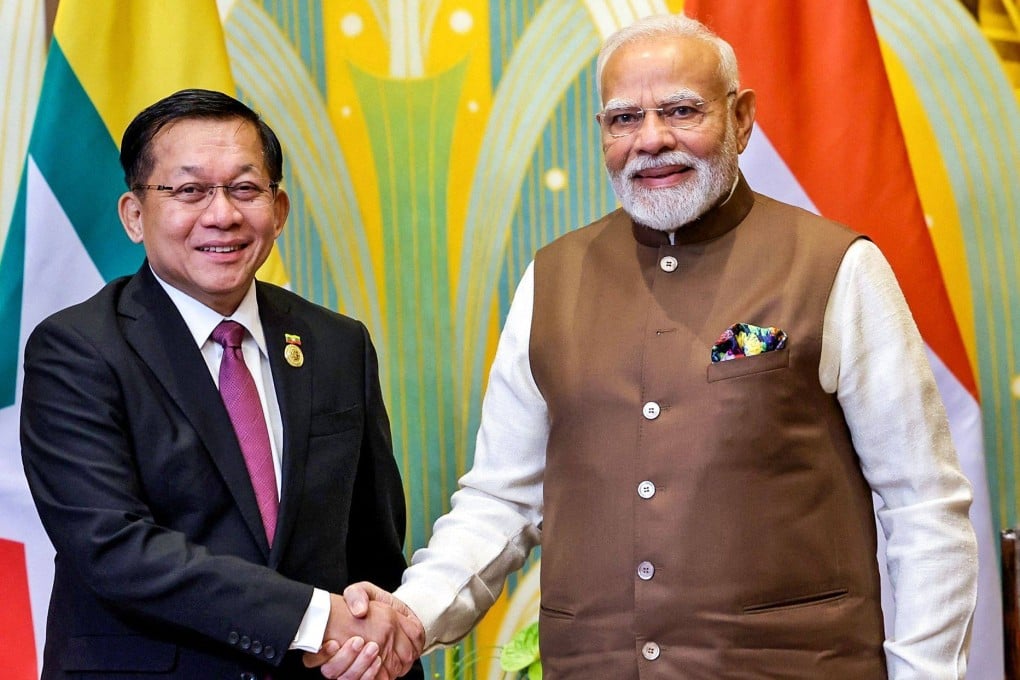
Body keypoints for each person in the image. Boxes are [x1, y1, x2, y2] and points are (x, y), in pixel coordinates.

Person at [322, 12, 980, 680]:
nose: (652, 139)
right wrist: (414, 613)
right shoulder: (552, 279)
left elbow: (922, 504)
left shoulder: (837, 267)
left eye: (682, 111)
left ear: (741, 119)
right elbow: (502, 500)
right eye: (624, 119)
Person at [20, 89, 422, 680]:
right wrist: (313, 619)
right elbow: (113, 546)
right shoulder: (77, 349)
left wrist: (382, 652)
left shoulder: (338, 344)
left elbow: (373, 550)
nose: (222, 215)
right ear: (134, 215)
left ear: (278, 210)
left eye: (244, 188)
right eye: (189, 191)